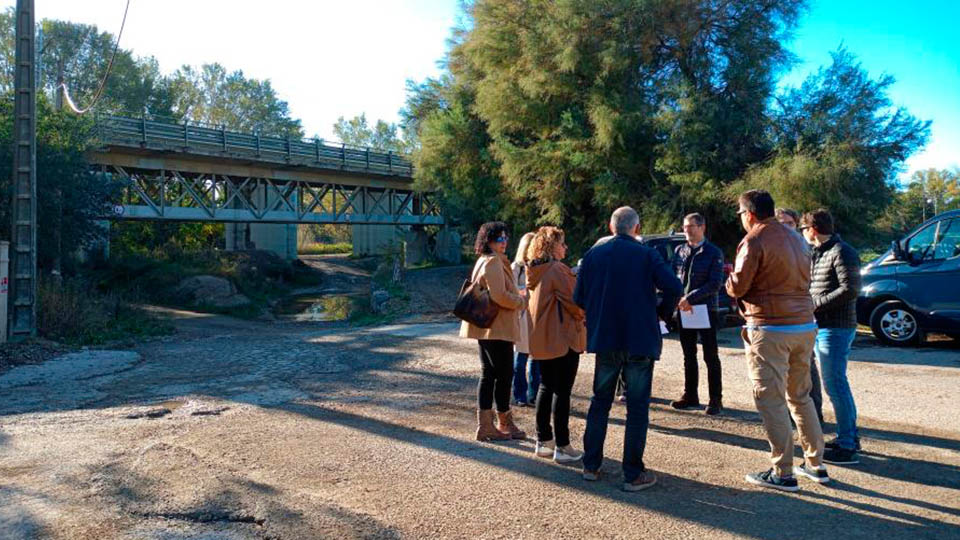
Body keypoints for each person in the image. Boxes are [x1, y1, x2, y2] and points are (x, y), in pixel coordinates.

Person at [575, 206, 682, 492]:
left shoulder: (593, 255)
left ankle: (591, 465)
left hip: (606, 338)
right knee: (636, 408)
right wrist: (662, 313)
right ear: (637, 228)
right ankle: (632, 473)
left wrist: (598, 314)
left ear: (612, 228)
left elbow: (579, 297)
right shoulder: (647, 254)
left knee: (600, 401)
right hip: (639, 339)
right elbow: (674, 286)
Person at [726, 190, 827, 492]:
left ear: (751, 214)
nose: (742, 220)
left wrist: (729, 281)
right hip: (804, 325)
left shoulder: (754, 240)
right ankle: (816, 464)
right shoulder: (797, 237)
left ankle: (782, 472)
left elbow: (739, 285)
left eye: (741, 214)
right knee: (801, 396)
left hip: (769, 327)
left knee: (770, 399)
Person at [801, 209, 863, 464]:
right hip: (821, 326)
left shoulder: (842, 251)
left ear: (812, 230)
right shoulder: (819, 252)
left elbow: (851, 289)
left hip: (836, 328)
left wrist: (816, 304)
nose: (802, 234)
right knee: (834, 384)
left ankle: (847, 444)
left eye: (803, 229)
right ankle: (848, 436)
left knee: (835, 384)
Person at [459, 221, 528, 442]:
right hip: (497, 328)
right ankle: (502, 423)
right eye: (499, 239)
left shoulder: (483, 260)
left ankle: (488, 425)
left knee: (489, 374)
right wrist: (521, 301)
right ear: (488, 240)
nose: (504, 242)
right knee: (503, 375)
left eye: (506, 238)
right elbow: (499, 295)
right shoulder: (493, 262)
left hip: (487, 327)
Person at [525, 226, 586, 464]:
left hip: (543, 338)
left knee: (545, 387)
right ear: (552, 246)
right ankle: (563, 445)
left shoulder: (535, 270)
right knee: (562, 391)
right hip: (563, 338)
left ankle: (544, 441)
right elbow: (576, 302)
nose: (565, 247)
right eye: (562, 243)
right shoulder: (558, 270)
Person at [670, 213, 725, 415]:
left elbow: (715, 284)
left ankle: (715, 399)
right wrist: (677, 298)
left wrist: (690, 298)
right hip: (685, 309)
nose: (687, 230)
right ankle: (690, 395)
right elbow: (673, 277)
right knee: (688, 355)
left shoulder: (713, 252)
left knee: (710, 356)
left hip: (706, 309)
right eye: (685, 226)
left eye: (691, 226)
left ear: (702, 227)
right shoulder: (680, 251)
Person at [777, 207, 826, 427]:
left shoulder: (806, 248)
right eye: (780, 223)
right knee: (784, 369)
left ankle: (815, 414)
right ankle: (790, 414)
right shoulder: (774, 248)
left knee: (807, 366)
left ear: (795, 225)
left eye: (788, 223)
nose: (784, 227)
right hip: (780, 316)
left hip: (803, 315)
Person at [511, 232, 540, 407]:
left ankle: (534, 393)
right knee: (520, 359)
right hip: (521, 317)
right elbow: (512, 289)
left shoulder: (540, 265)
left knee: (537, 358)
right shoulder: (517, 267)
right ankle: (520, 394)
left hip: (536, 316)